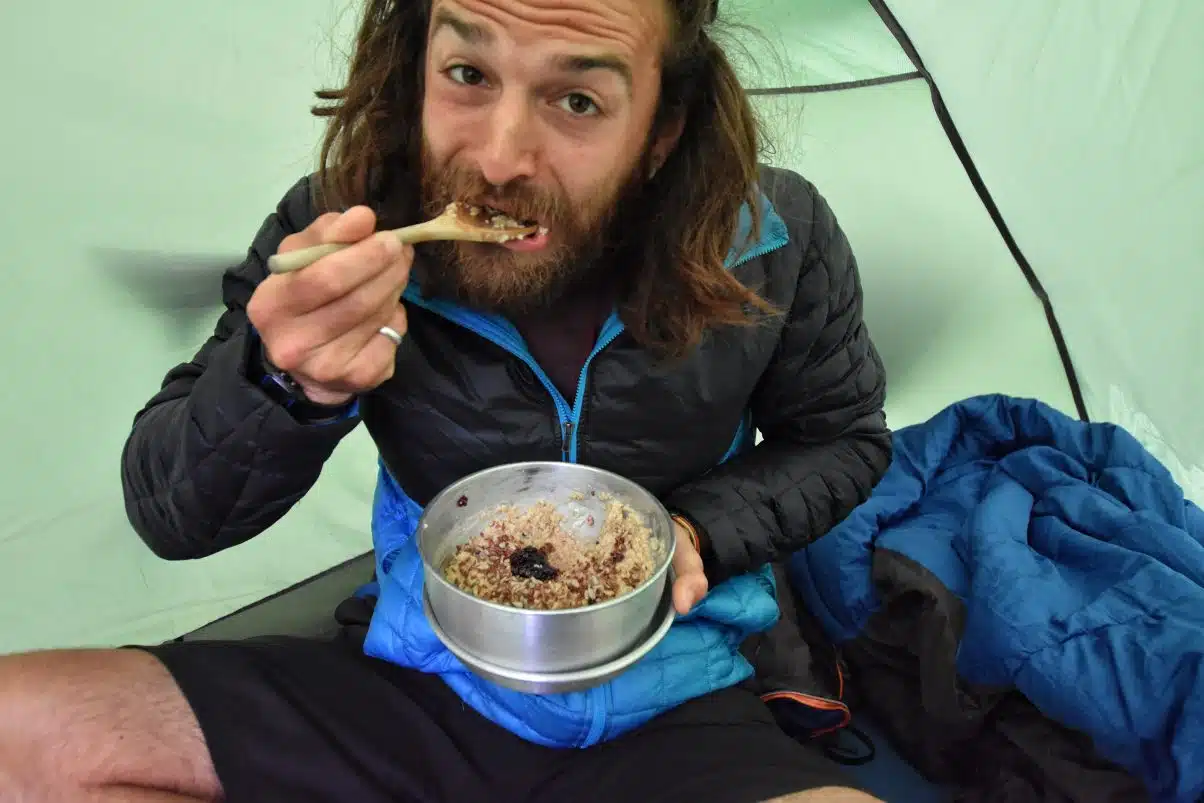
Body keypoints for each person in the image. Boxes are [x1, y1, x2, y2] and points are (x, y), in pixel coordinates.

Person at [0, 0, 893, 801]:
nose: (499, 158)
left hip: (677, 699)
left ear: (661, 130)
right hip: (418, 676)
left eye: (576, 100)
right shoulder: (341, 222)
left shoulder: (773, 236)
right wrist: (286, 383)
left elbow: (845, 437)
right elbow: (170, 514)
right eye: (467, 74)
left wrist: (698, 530)